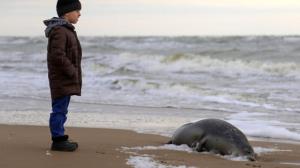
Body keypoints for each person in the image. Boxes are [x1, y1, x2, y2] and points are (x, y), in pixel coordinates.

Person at [43, 0, 82, 152]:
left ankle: (60, 136)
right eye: (77, 11)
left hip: (64, 79)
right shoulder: (60, 30)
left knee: (62, 109)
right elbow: (57, 55)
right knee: (59, 109)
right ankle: (58, 140)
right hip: (62, 79)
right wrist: (72, 71)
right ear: (67, 12)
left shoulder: (65, 29)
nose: (79, 14)